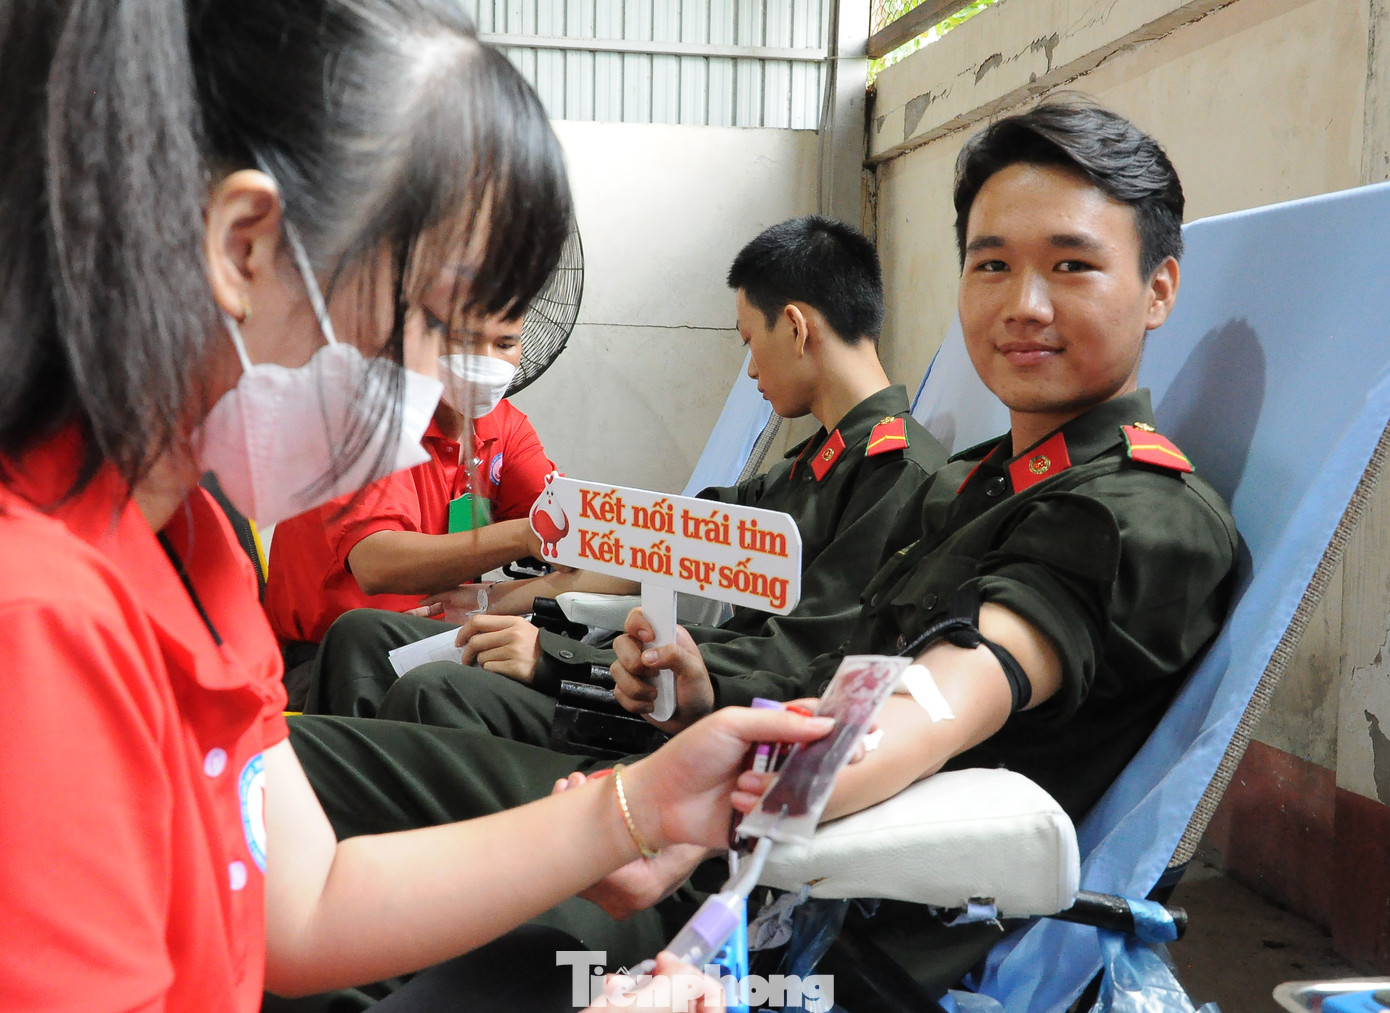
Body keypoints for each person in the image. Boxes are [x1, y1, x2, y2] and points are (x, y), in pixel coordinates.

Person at [285, 99, 1239, 1002]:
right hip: (724, 801)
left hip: (783, 904)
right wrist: (699, 696)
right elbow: (837, 658)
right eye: (990, 265)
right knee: (293, 818)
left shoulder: (1131, 514)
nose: (1023, 303)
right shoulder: (979, 479)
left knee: (285, 778)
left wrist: (701, 814)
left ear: (1158, 288)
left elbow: (940, 698)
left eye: (1071, 265)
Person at [0, 3, 841, 1011]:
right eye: (439, 321)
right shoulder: (38, 623)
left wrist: (633, 808)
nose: (448, 378)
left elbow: (304, 902)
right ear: (245, 247)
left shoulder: (196, 547)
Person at [297, 215, 947, 723]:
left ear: (797, 328)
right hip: (653, 668)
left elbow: (789, 657)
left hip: (675, 698)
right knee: (362, 634)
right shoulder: (811, 466)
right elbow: (653, 541)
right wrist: (495, 602)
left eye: (751, 342)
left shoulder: (894, 474)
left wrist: (560, 657)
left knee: (435, 688)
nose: (750, 370)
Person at [262, 307, 556, 702]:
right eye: (465, 341)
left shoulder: (506, 428)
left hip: (440, 646)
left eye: (505, 344)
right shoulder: (364, 417)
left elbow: (575, 536)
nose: (487, 362)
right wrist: (524, 534)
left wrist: (495, 597)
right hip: (333, 660)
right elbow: (377, 564)